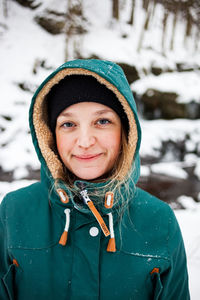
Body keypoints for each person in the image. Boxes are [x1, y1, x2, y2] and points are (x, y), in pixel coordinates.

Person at [0, 59, 190, 300]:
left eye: (102, 121)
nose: (85, 141)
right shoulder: (14, 211)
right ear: (50, 136)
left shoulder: (159, 221)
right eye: (68, 124)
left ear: (125, 130)